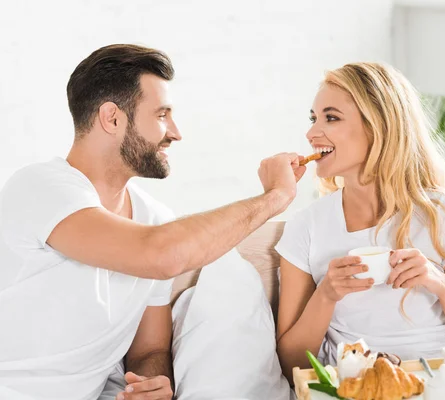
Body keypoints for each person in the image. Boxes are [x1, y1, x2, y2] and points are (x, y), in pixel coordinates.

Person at [0, 44, 305, 400]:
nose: (175, 133)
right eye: (162, 115)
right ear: (112, 118)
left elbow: (148, 351)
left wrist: (151, 382)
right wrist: (275, 197)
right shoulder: (40, 188)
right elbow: (160, 255)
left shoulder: (153, 219)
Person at [274, 62, 445, 382]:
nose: (312, 133)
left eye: (331, 117)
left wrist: (438, 282)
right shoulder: (306, 225)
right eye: (314, 118)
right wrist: (326, 293)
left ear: (378, 126)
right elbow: (292, 365)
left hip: (440, 380)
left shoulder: (444, 214)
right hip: (355, 382)